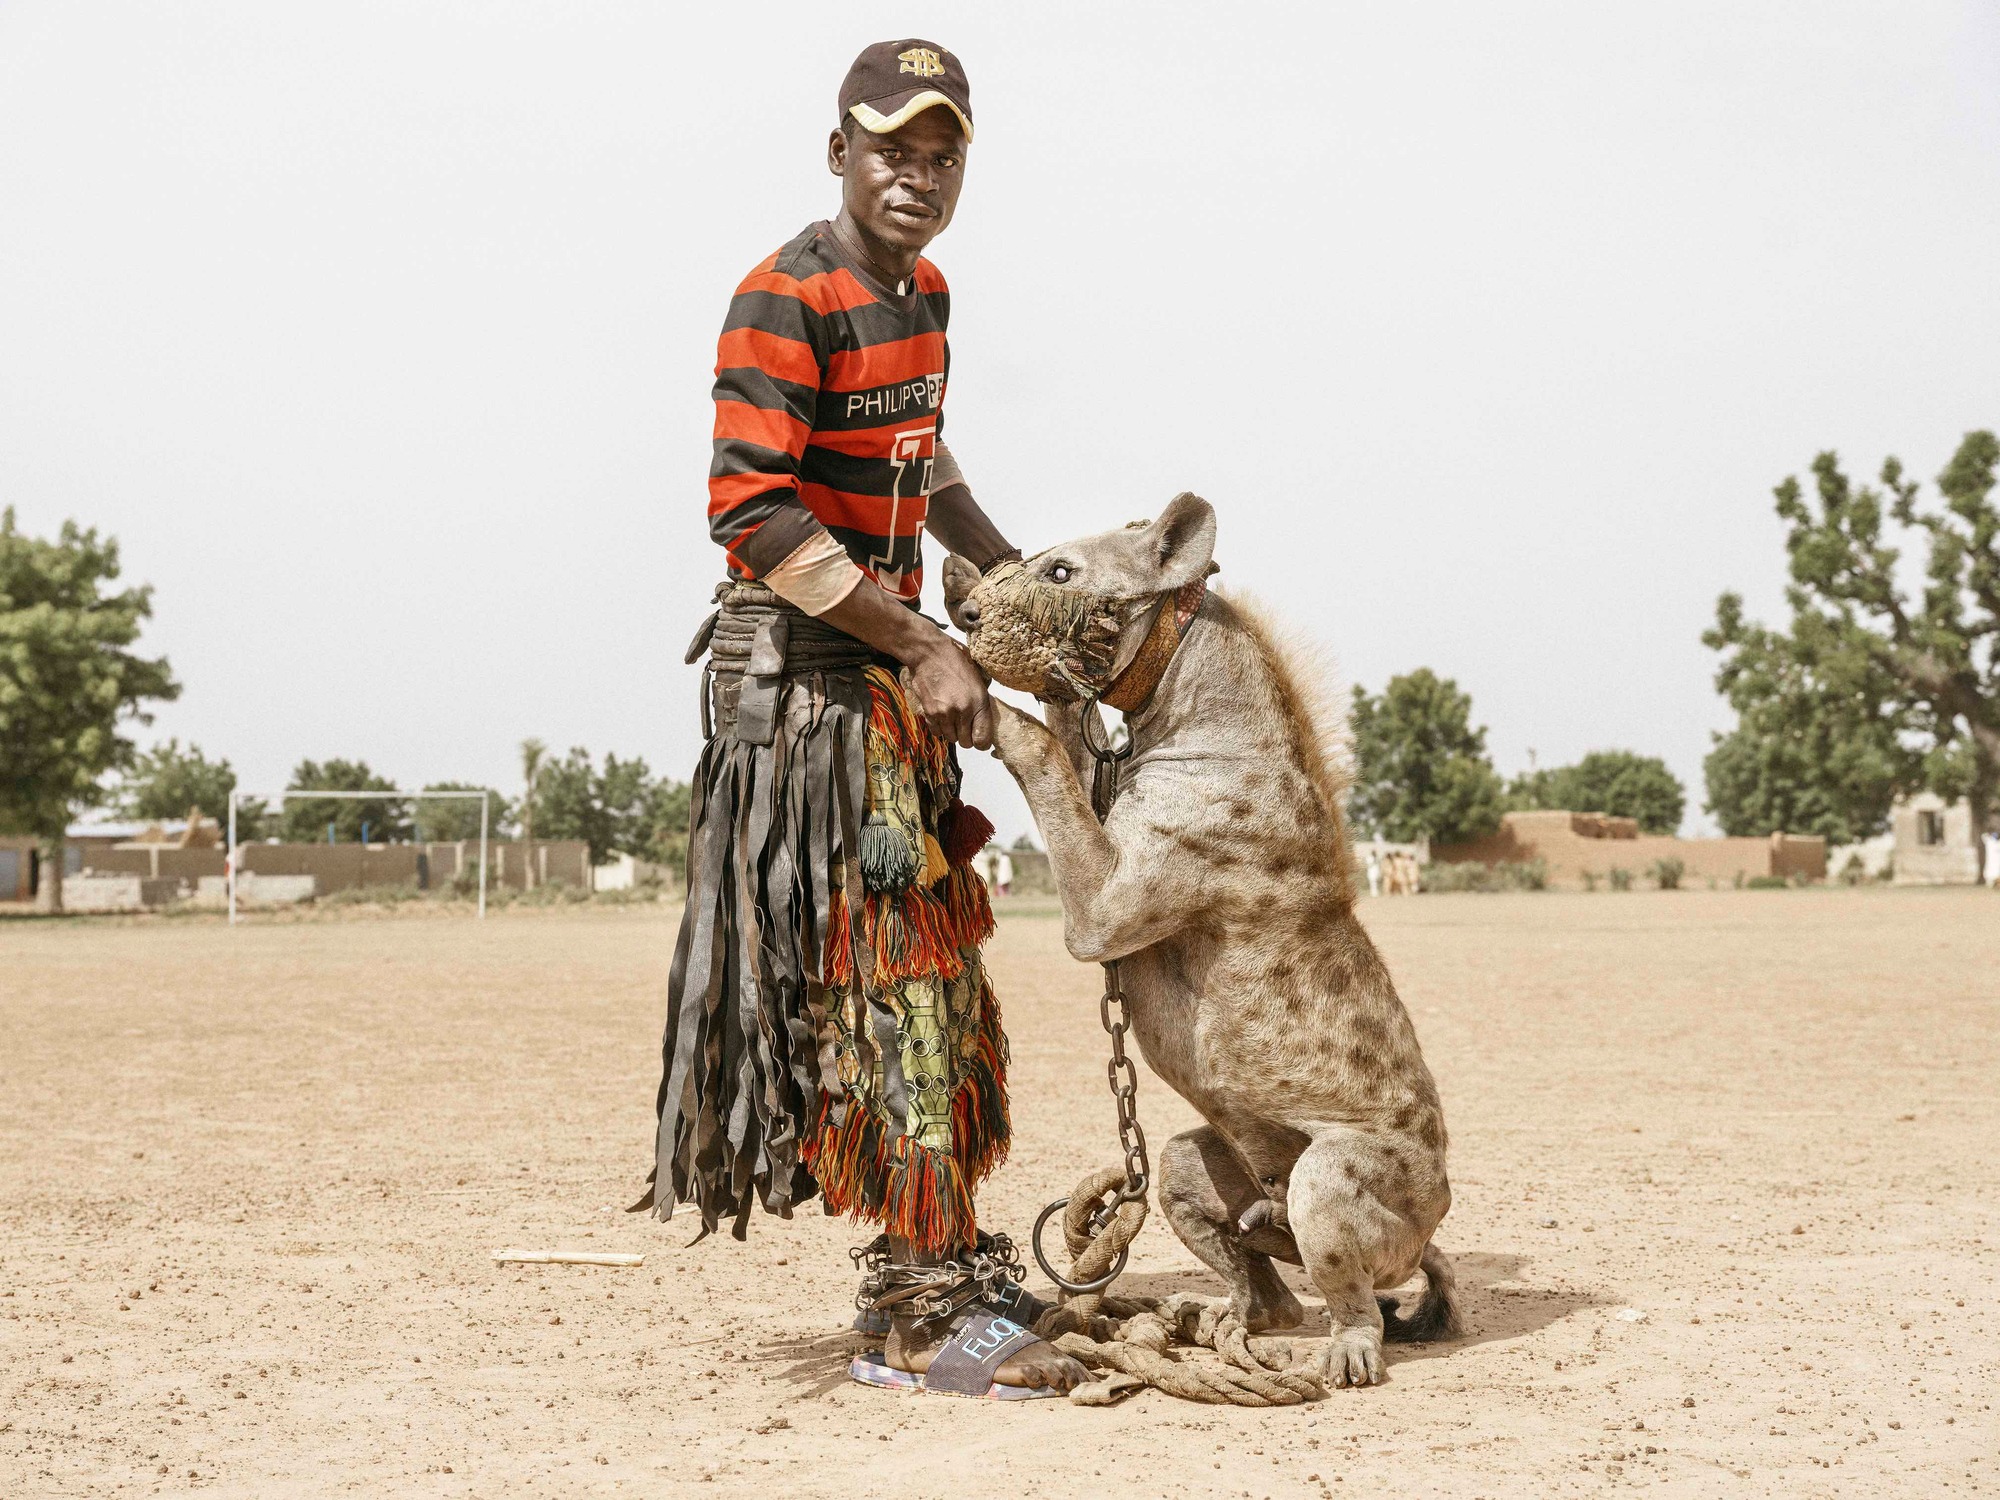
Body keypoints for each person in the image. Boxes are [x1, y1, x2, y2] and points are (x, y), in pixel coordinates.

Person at [639, 40, 1085, 1399]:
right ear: (840, 153)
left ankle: (939, 1259)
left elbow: (921, 459)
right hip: (802, 704)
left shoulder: (924, 296)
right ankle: (914, 1314)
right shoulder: (786, 297)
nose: (917, 172)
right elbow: (755, 517)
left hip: (880, 683)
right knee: (884, 991)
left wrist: (1008, 585)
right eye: (891, 146)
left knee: (934, 985)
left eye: (942, 151)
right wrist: (928, 642)